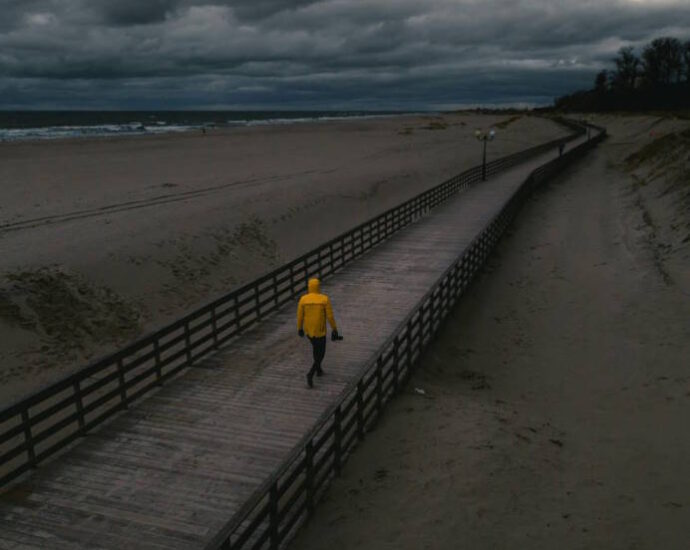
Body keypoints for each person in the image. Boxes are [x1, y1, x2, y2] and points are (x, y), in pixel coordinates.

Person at [297, 277, 341, 388]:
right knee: (321, 353)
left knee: (316, 349)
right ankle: (310, 374)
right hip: (320, 331)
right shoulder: (324, 299)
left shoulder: (303, 299)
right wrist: (334, 329)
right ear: (318, 287)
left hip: (309, 331)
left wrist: (300, 328)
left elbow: (300, 316)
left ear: (309, 287)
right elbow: (330, 317)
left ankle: (319, 370)